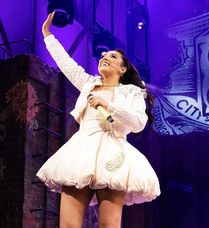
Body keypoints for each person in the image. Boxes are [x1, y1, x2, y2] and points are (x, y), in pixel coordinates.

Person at [37, 12, 160, 228]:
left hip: (114, 152)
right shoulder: (88, 84)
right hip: (81, 151)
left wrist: (108, 104)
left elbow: (138, 123)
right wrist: (48, 35)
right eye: (103, 55)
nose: (105, 56)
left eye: (112, 56)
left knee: (109, 225)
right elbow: (67, 64)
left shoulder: (131, 93)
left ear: (122, 69)